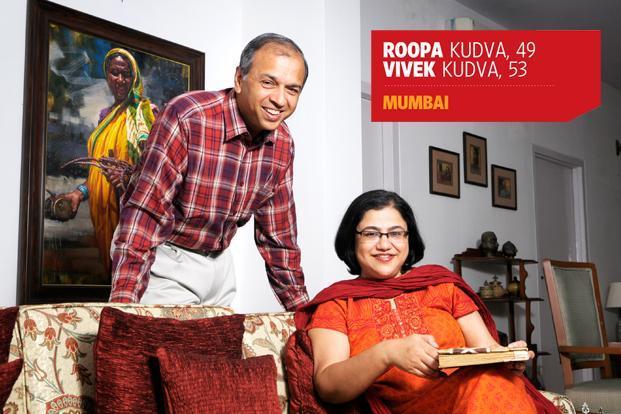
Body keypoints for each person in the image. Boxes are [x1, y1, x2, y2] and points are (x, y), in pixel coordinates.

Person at [292, 190, 557, 413]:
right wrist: (388, 353)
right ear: (352, 238)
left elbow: (485, 351)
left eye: (396, 233)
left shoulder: (442, 285)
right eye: (371, 234)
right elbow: (328, 385)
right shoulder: (337, 303)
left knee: (493, 380)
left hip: (467, 401)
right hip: (397, 409)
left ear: (409, 239)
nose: (385, 244)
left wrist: (507, 357)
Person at [109, 33, 309, 311]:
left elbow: (279, 239)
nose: (279, 99)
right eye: (268, 83)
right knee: (168, 351)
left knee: (220, 352)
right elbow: (144, 215)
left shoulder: (283, 143)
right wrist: (122, 309)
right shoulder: (188, 117)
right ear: (239, 80)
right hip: (166, 257)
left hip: (220, 264)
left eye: (292, 89)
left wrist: (305, 316)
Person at [62, 48, 156, 274]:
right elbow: (97, 172)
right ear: (106, 75)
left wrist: (126, 177)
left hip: (129, 213)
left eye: (126, 75)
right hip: (102, 215)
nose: (121, 80)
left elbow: (155, 172)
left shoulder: (145, 113)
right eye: (115, 73)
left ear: (134, 77)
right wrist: (79, 193)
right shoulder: (105, 116)